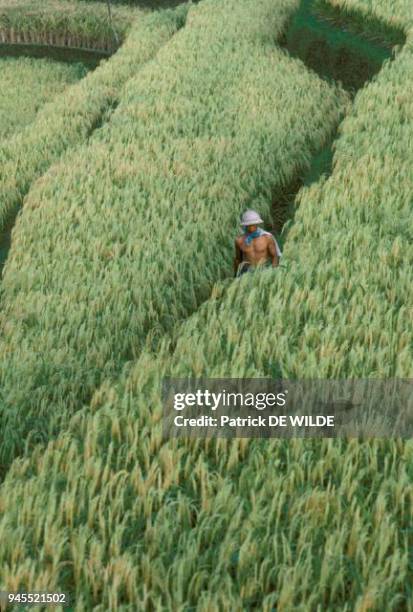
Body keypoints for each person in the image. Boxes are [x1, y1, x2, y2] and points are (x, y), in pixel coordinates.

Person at [234, 210, 282, 277]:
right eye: (249, 225)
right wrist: (236, 275)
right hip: (246, 274)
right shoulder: (239, 240)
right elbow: (238, 259)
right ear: (245, 225)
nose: (251, 227)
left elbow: (275, 256)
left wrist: (273, 273)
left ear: (257, 223)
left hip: (264, 272)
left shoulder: (267, 238)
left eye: (253, 224)